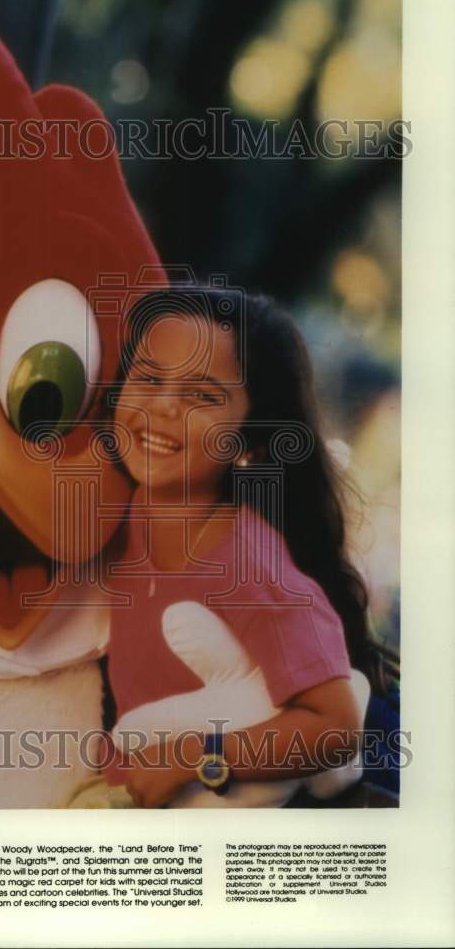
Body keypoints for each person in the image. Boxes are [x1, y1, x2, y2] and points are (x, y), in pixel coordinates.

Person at [102, 287, 385, 809]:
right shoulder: (117, 511)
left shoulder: (249, 562)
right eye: (149, 378)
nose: (164, 406)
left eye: (202, 396)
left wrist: (193, 758)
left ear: (249, 441)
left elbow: (337, 726)